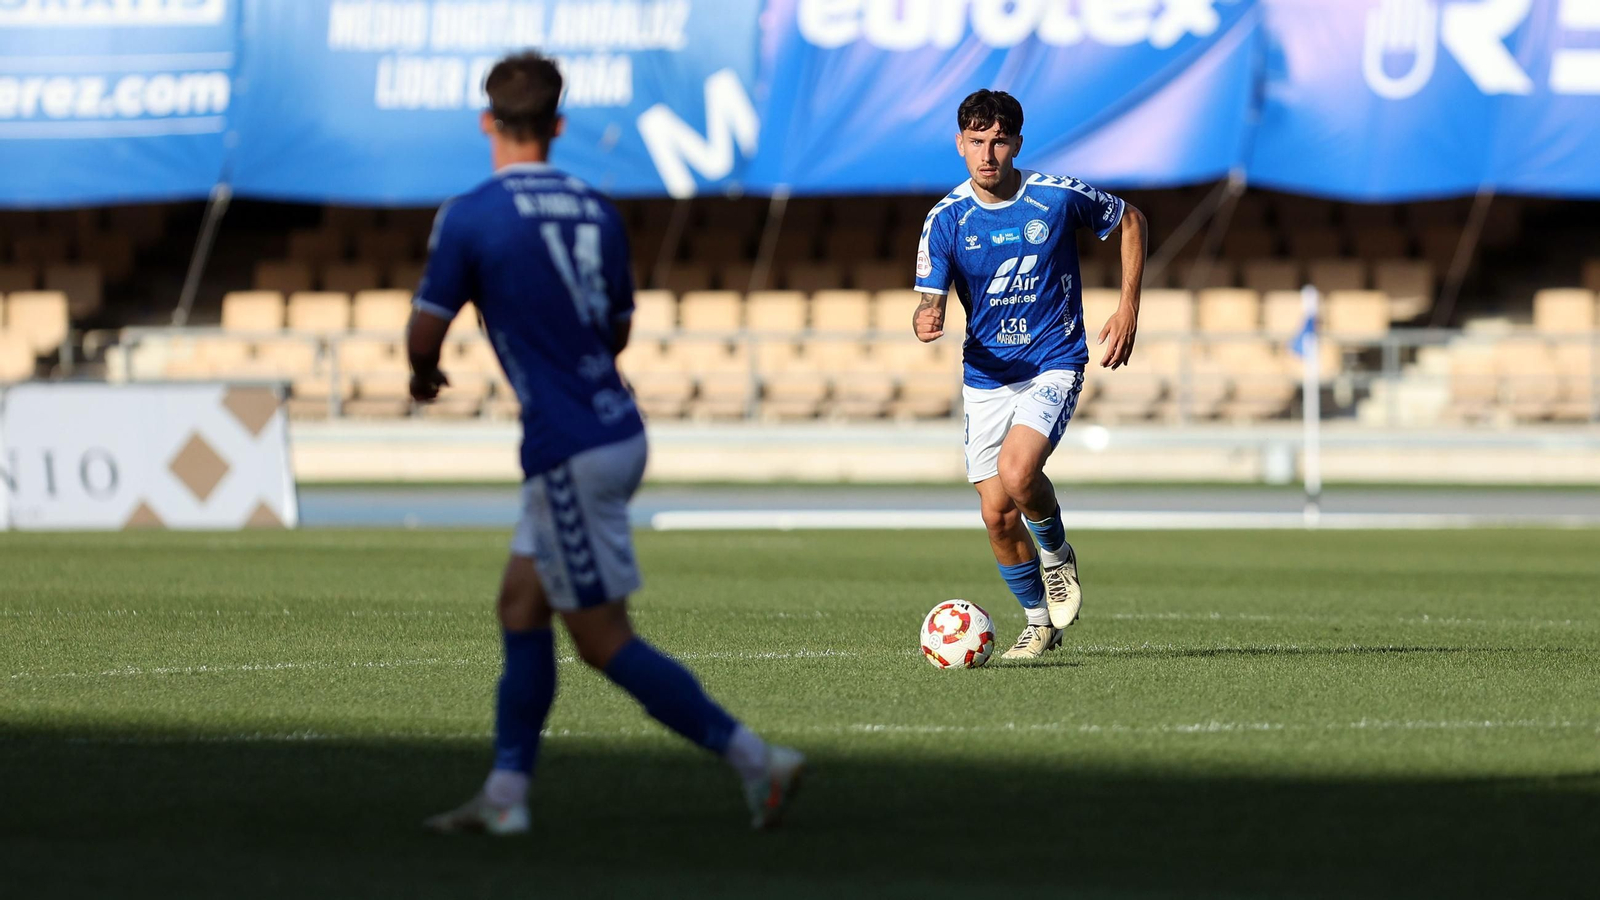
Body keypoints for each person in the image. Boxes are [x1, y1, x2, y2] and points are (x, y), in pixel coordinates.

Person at [407, 51, 803, 834]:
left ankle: (757, 759)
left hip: (570, 444)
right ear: (558, 126)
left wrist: (424, 376)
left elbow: (426, 328)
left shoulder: (471, 213)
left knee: (600, 639)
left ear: (487, 121)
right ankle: (506, 795)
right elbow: (617, 330)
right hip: (613, 423)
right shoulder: (597, 210)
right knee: (521, 605)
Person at [912, 89, 1146, 659]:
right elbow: (928, 298)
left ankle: (1057, 554)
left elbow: (1131, 219)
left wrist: (1128, 307)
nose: (987, 154)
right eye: (976, 142)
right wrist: (929, 313)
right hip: (987, 375)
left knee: (1019, 474)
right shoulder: (945, 219)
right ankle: (1040, 622)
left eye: (998, 142)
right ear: (960, 144)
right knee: (996, 515)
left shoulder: (1056, 198)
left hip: (1052, 360)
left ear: (1017, 143)